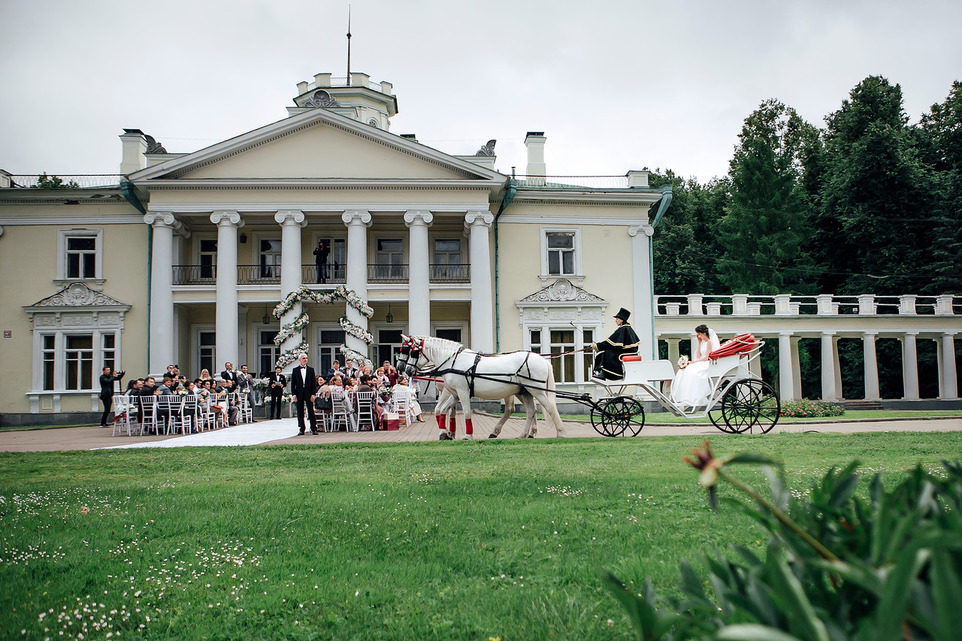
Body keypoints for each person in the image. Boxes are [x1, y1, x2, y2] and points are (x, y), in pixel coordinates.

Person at [670, 324, 722, 409]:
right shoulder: (703, 343)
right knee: (683, 371)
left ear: (704, 333)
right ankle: (684, 398)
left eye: (699, 334)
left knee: (692, 372)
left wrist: (694, 362)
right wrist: (699, 343)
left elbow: (707, 357)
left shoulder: (709, 342)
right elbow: (698, 355)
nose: (699, 336)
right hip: (701, 361)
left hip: (707, 363)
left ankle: (694, 397)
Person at [592, 307, 641, 380]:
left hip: (626, 352)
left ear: (622, 320)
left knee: (607, 353)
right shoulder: (626, 328)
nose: (616, 321)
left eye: (617, 319)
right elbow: (614, 344)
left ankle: (607, 374)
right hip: (626, 351)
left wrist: (597, 345)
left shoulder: (623, 329)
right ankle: (601, 372)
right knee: (601, 355)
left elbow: (610, 343)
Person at [290, 353, 318, 435]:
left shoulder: (311, 370)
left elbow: (313, 383)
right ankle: (301, 428)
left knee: (311, 411)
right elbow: (293, 383)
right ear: (300, 360)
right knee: (300, 411)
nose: (305, 359)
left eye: (306, 358)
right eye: (303, 358)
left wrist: (313, 394)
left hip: (309, 393)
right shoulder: (295, 370)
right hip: (299, 393)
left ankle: (314, 428)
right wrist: (294, 395)